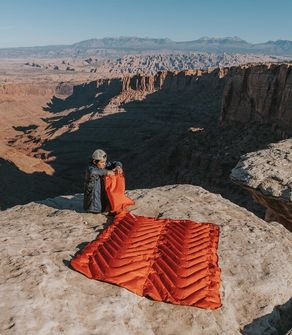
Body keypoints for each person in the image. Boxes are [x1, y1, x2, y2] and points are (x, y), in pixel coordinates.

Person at [83, 149, 123, 214]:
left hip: (102, 205)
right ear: (94, 161)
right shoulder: (90, 169)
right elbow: (93, 172)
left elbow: (116, 162)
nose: (104, 164)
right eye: (102, 162)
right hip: (93, 208)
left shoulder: (103, 165)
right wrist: (107, 172)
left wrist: (118, 166)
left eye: (105, 162)